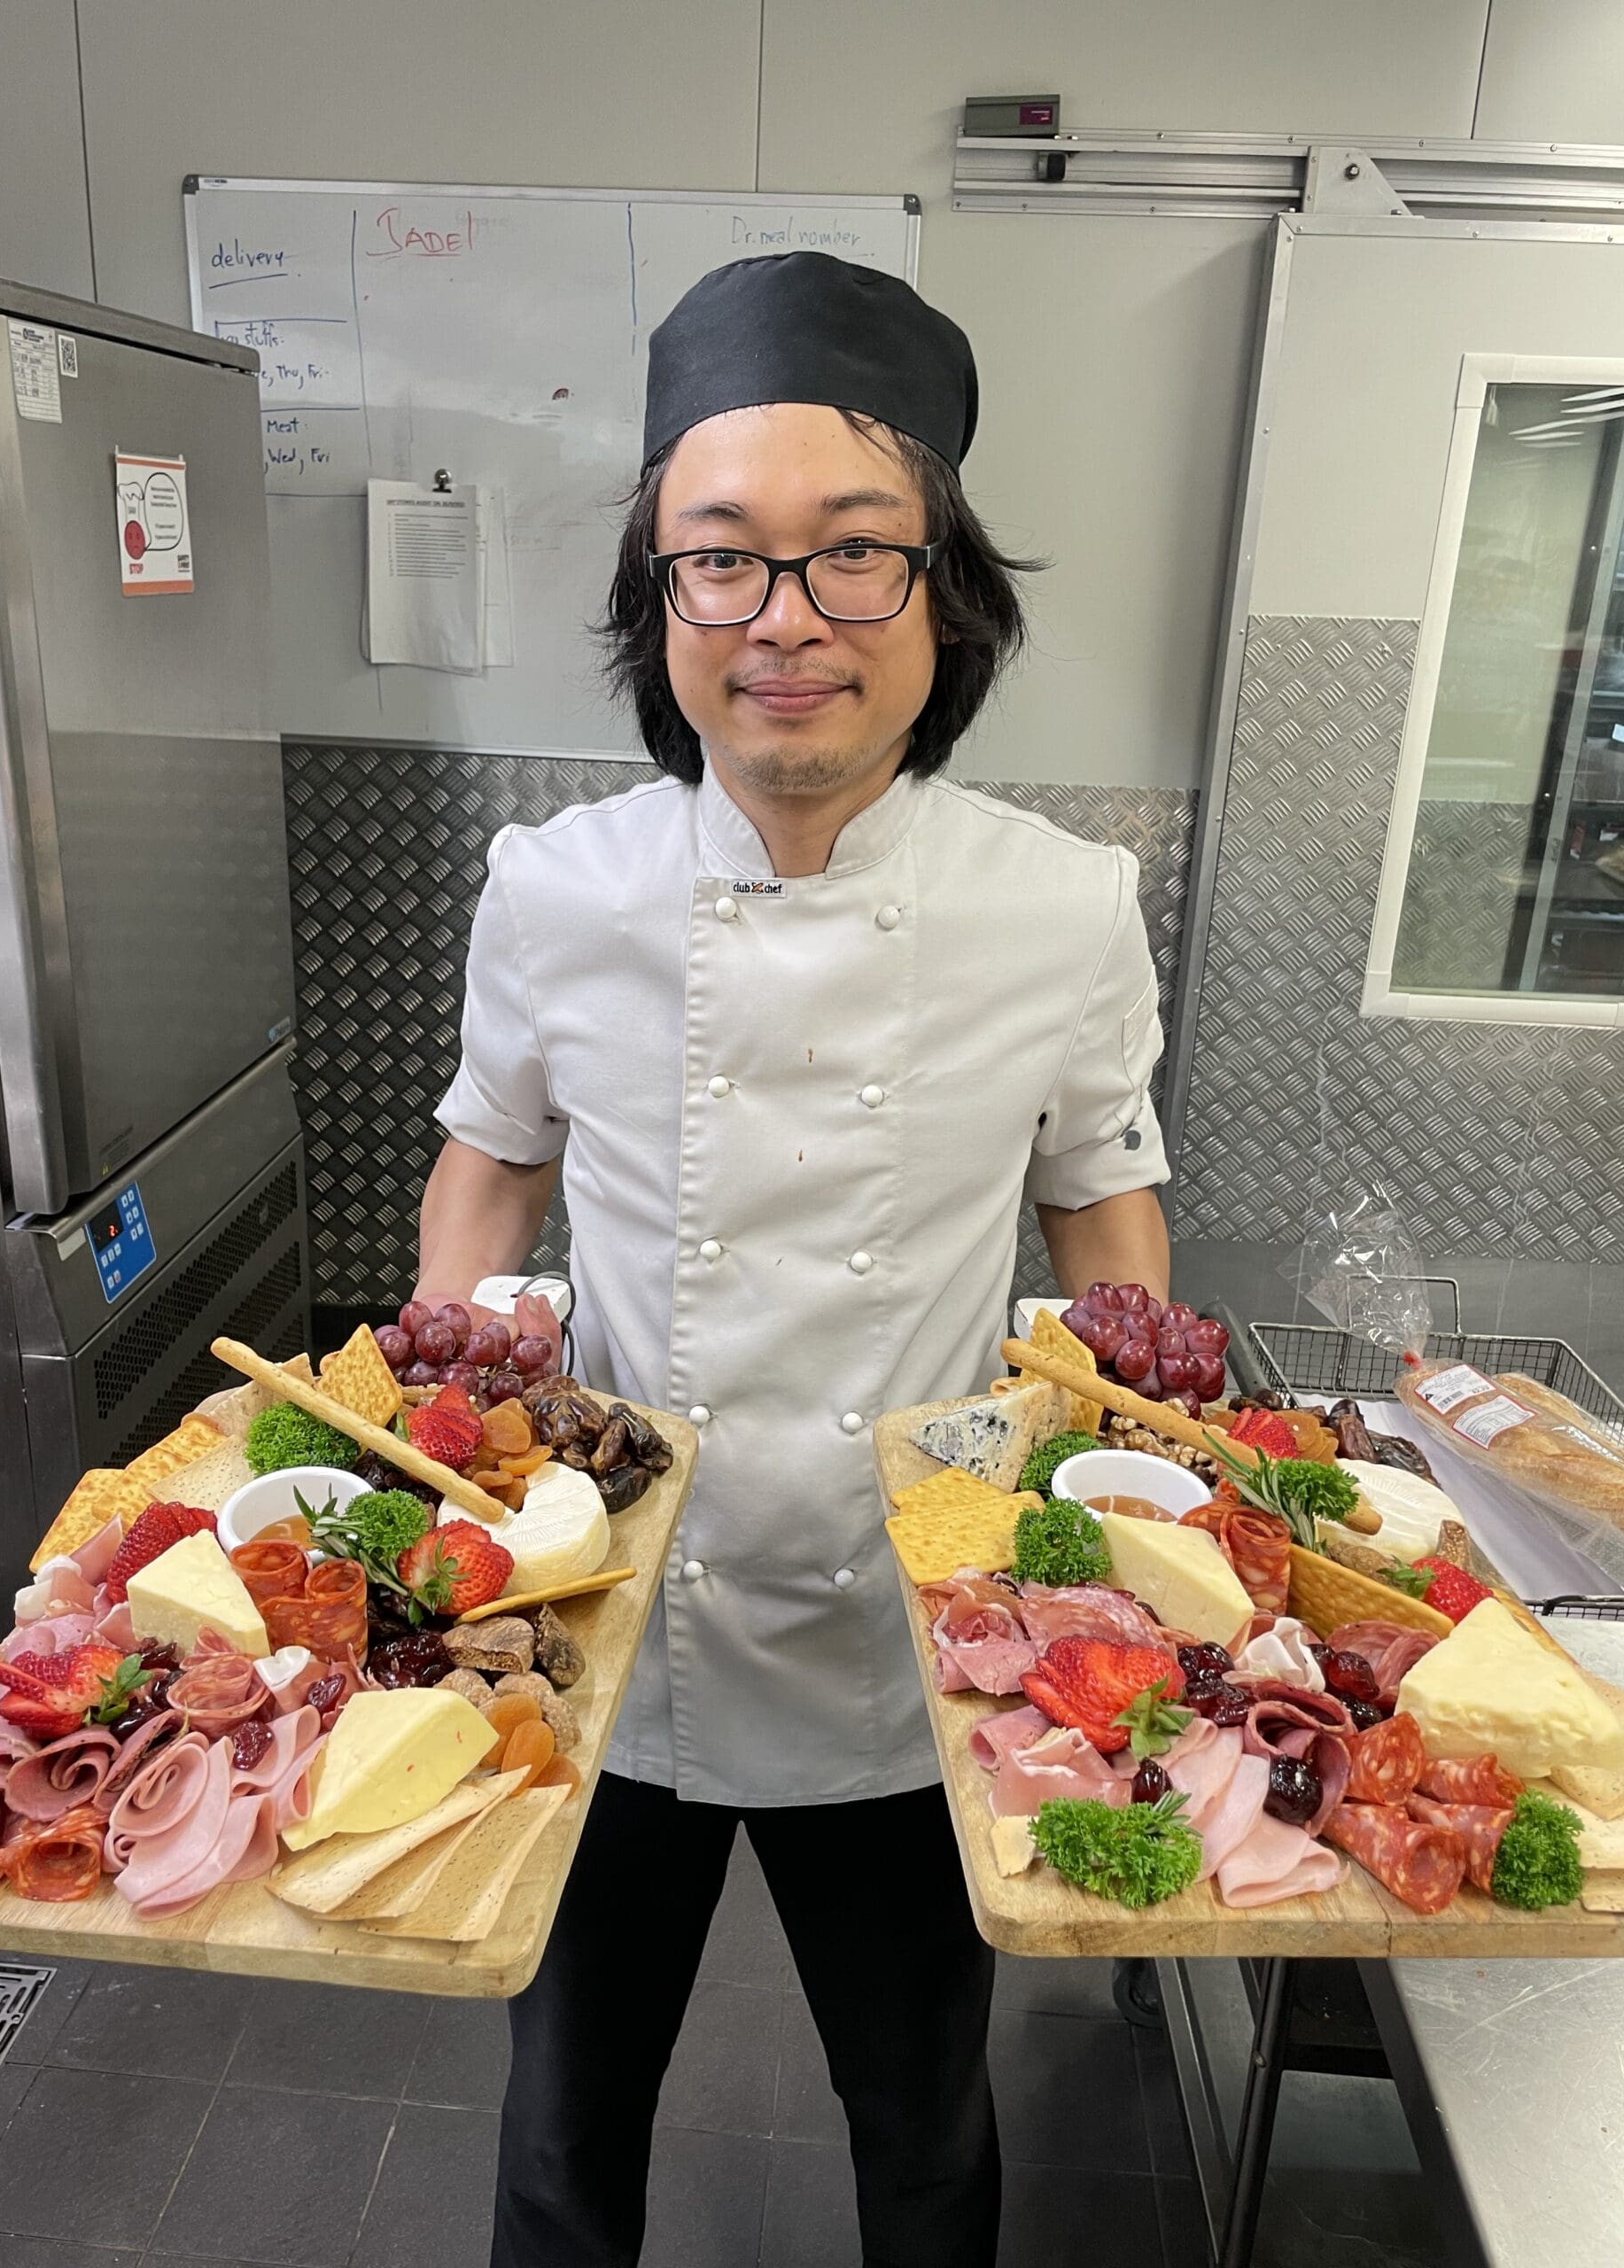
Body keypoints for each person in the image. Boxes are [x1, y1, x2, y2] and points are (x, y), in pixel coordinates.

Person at [417, 252, 1171, 2268]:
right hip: (605, 1625)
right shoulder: (554, 889)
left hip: (908, 1640)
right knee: (563, 2126)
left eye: (854, 553)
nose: (785, 618)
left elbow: (1104, 1197)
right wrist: (453, 1431)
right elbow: (491, 1162)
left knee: (924, 2128)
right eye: (720, 560)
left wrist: (1143, 1480)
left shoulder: (1062, 904)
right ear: (657, 595)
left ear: (948, 590)